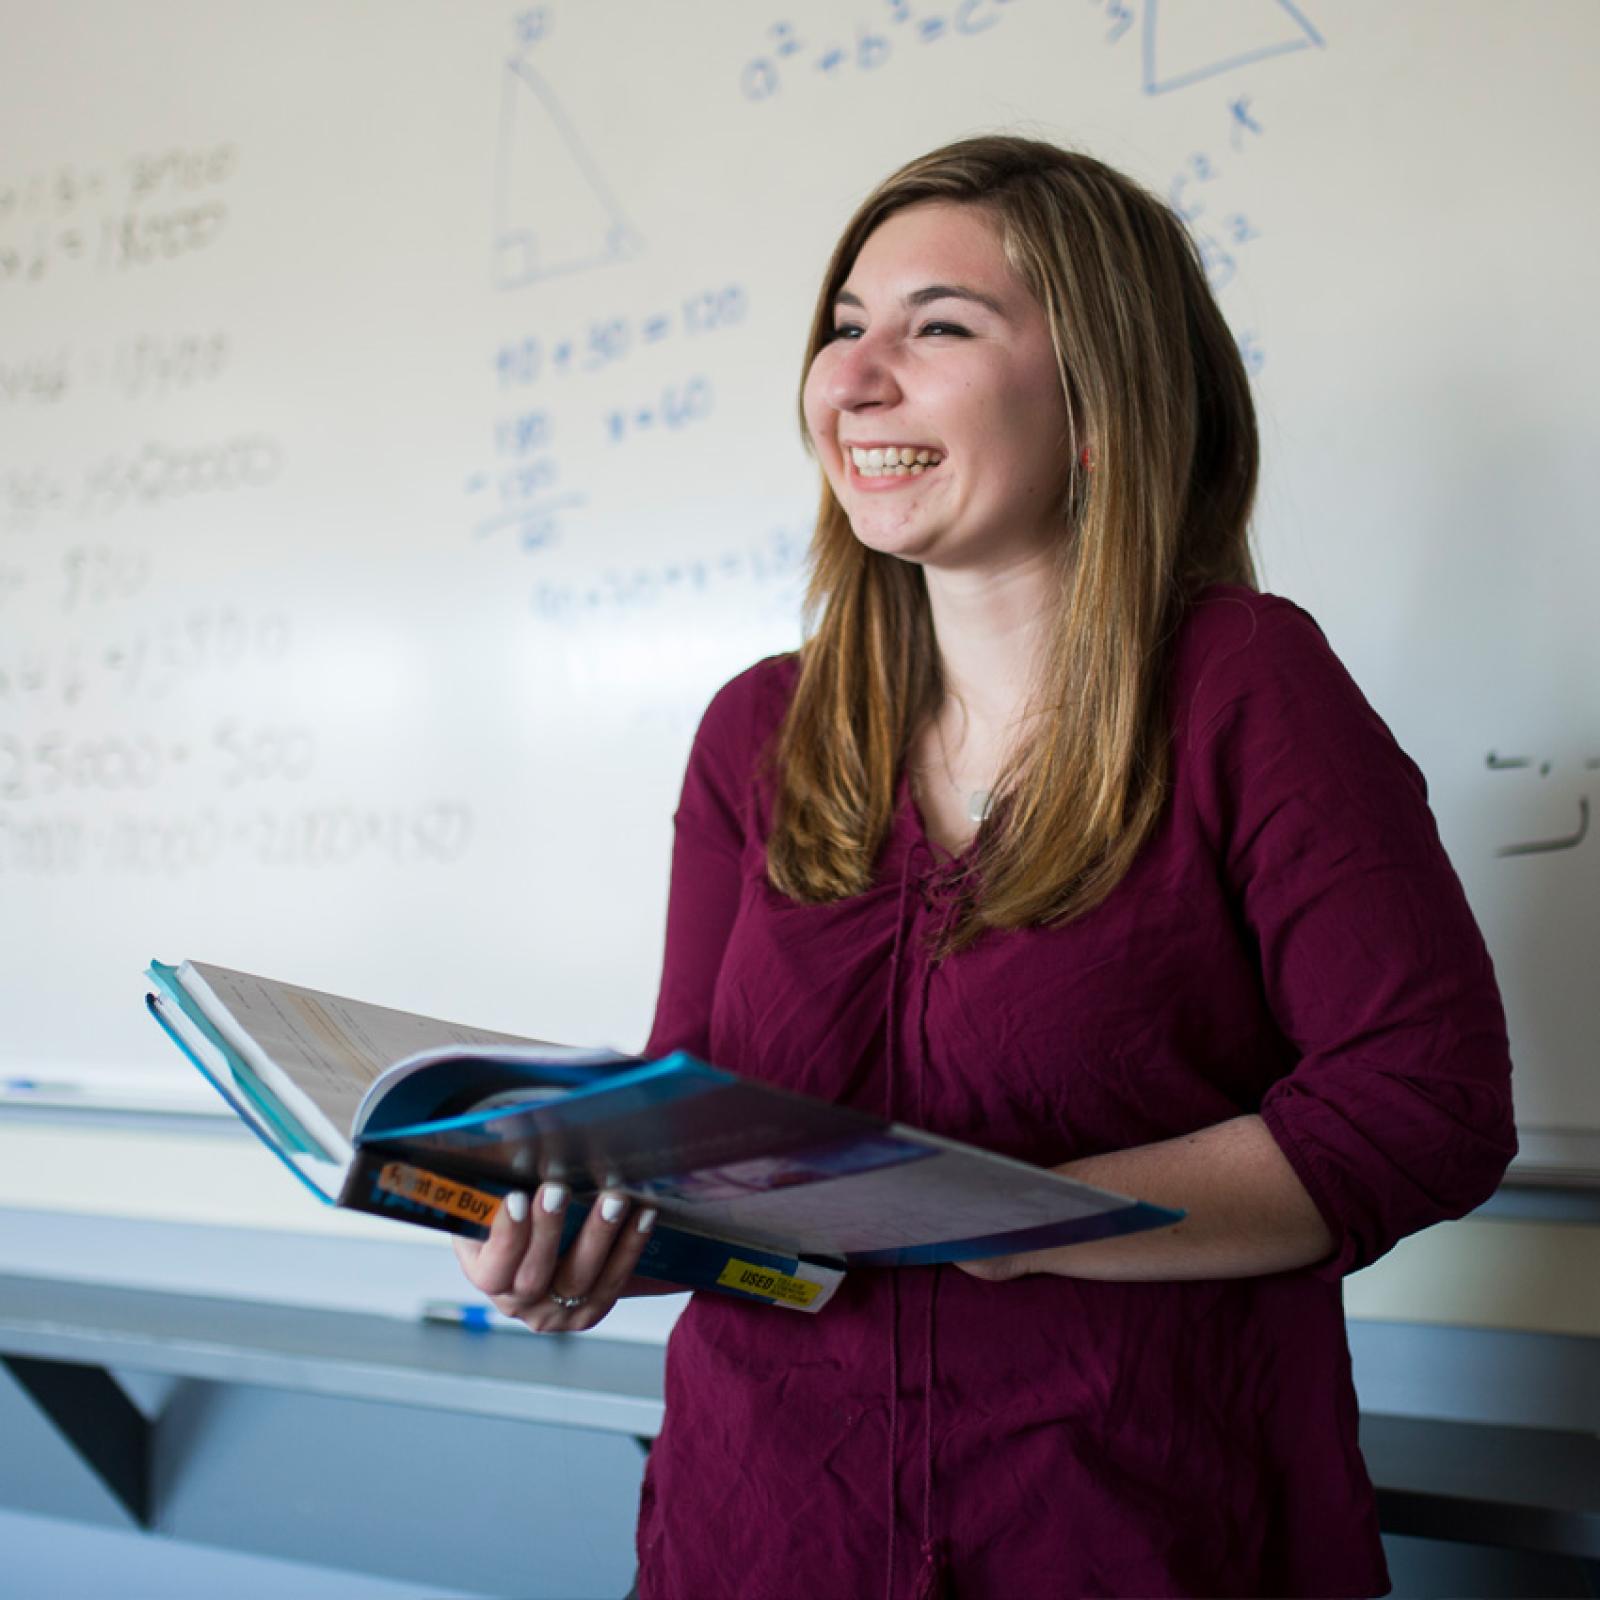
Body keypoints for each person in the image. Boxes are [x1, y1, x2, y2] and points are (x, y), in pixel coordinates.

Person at [453, 136, 1517, 1598]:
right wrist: (584, 1242)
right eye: (843, 328)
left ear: (1099, 398)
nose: (852, 378)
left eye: (936, 326)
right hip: (764, 1530)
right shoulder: (757, 731)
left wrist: (1021, 1224)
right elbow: (699, 1123)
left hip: (1132, 1532)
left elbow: (1422, 1109)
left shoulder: (1246, 686)